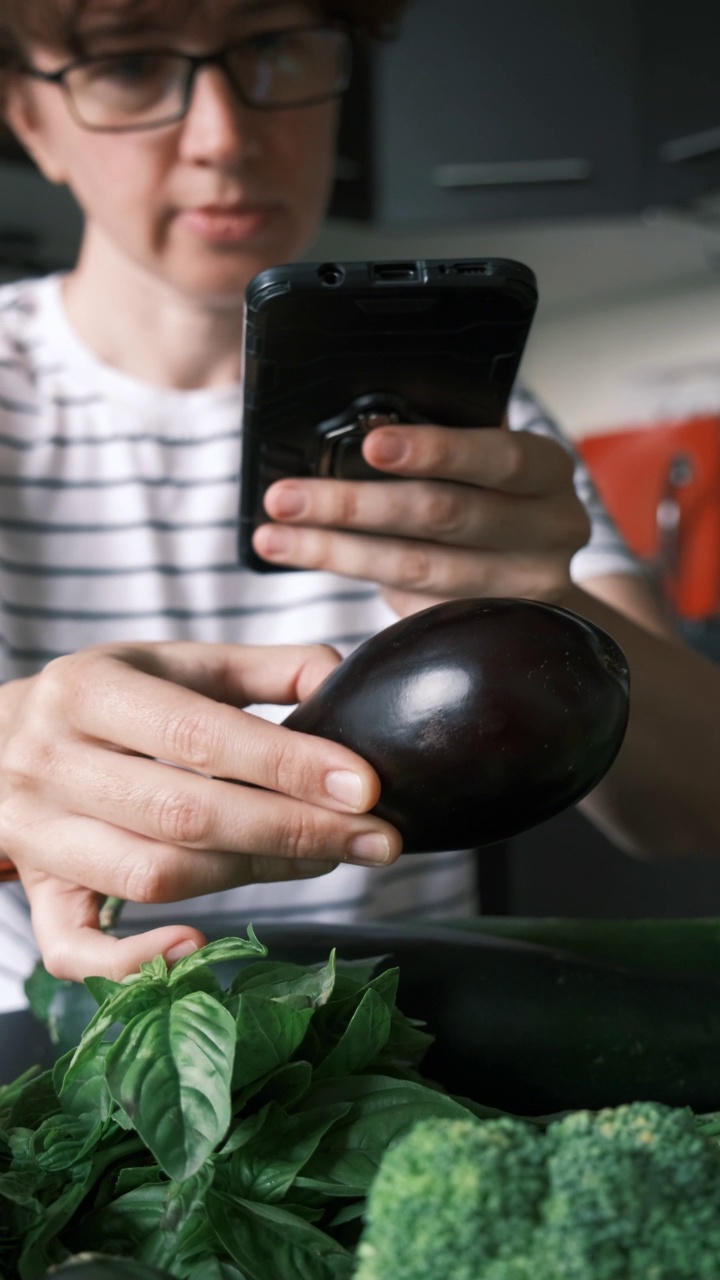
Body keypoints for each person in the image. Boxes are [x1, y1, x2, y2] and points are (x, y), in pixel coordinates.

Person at [0, 0, 719, 1013]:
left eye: (274, 47)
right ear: (31, 117)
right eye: (128, 67)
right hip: (50, 1070)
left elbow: (695, 806)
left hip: (409, 1060)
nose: (224, 136)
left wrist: (555, 614)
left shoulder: (490, 428)